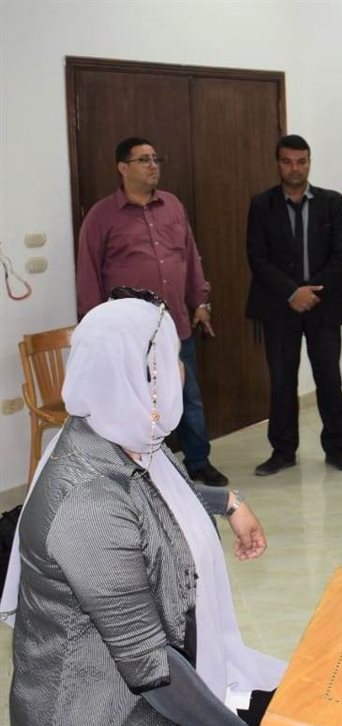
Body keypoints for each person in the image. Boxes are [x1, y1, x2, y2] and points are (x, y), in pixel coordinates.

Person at [1, 294, 285, 726]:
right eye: (171, 360)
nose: (181, 372)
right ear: (143, 381)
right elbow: (151, 666)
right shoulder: (88, 503)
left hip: (141, 691)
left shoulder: (113, 430)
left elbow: (154, 498)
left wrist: (227, 502)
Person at [76, 136, 227, 486]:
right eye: (143, 160)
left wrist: (200, 302)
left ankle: (199, 461)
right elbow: (88, 272)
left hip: (173, 325)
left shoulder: (172, 205)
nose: (152, 166)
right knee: (135, 404)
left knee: (187, 397)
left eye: (155, 159)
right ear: (122, 167)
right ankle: (141, 470)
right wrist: (95, 326)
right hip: (128, 334)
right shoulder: (102, 216)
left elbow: (189, 257)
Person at [246, 134, 342, 476]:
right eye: (287, 161)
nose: (295, 168)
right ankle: (282, 451)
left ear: (309, 162)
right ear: (278, 163)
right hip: (279, 308)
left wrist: (312, 291)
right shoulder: (261, 204)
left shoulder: (331, 202)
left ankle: (337, 449)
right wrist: (292, 292)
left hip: (324, 306)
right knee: (282, 382)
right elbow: (257, 258)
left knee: (329, 379)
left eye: (302, 161)